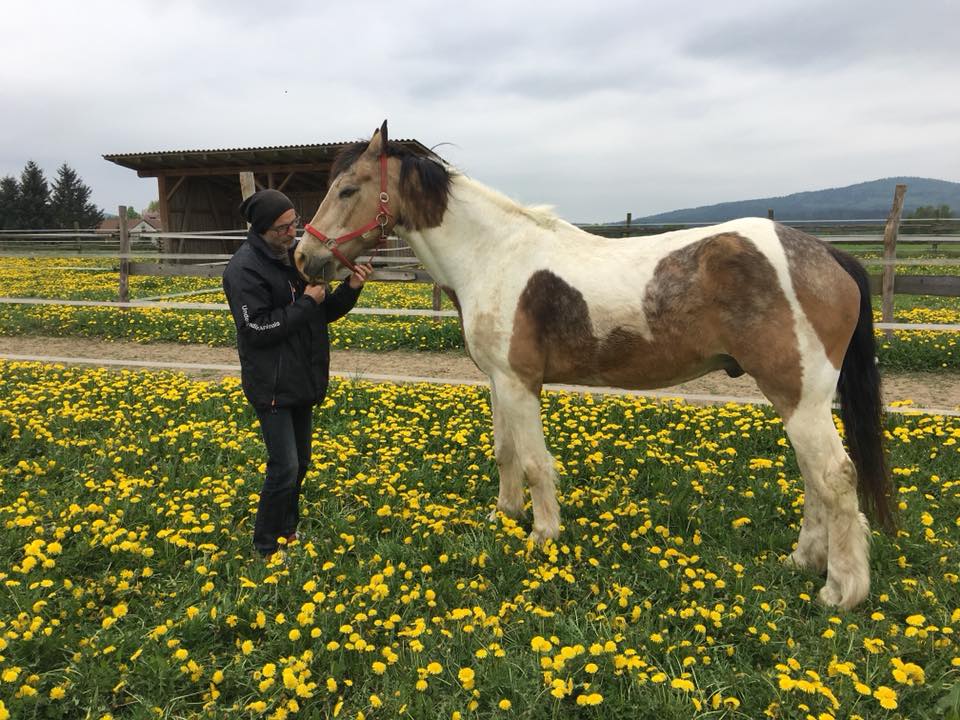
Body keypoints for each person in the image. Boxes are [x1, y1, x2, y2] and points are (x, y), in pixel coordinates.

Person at [222, 189, 373, 559]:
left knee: (300, 464)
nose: (293, 232)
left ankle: (287, 531)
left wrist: (349, 290)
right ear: (262, 229)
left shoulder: (295, 259)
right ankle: (265, 545)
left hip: (301, 379)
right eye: (284, 228)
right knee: (284, 466)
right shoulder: (243, 271)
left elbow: (320, 314)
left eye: (295, 224)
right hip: (271, 383)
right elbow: (257, 330)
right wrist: (307, 302)